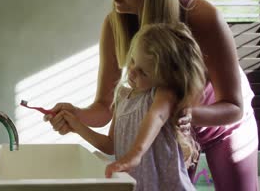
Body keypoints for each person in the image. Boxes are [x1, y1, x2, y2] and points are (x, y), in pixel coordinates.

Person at [44, 0, 259, 190]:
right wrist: (74, 115)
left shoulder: (201, 17)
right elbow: (105, 107)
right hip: (174, 130)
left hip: (223, 128)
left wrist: (188, 114)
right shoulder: (114, 27)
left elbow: (233, 107)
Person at [61, 23, 204, 191]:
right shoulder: (122, 97)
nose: (132, 72)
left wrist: (134, 155)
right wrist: (77, 126)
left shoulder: (162, 95)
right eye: (133, 61)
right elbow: (110, 145)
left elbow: (157, 116)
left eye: (143, 72)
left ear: (165, 78)